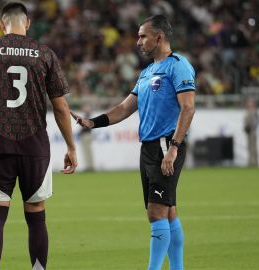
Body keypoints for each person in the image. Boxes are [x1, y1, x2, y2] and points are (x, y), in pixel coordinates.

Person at [0, 2, 78, 270]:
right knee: (36, 215)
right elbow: (61, 106)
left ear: (1, 24)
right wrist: (70, 146)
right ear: (28, 23)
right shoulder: (45, 54)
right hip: (35, 147)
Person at [72, 15, 195, 270]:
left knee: (156, 212)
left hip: (165, 146)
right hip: (149, 148)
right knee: (168, 211)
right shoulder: (147, 72)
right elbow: (125, 108)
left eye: (142, 36)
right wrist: (93, 123)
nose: (138, 42)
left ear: (158, 37)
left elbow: (188, 108)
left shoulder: (178, 65)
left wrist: (173, 147)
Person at [243, 98, 259, 167]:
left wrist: (252, 127)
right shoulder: (247, 111)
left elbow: (257, 121)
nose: (248, 104)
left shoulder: (255, 111)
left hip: (252, 131)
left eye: (250, 103)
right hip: (248, 132)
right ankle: (250, 162)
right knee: (249, 147)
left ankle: (255, 162)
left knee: (253, 147)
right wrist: (246, 127)